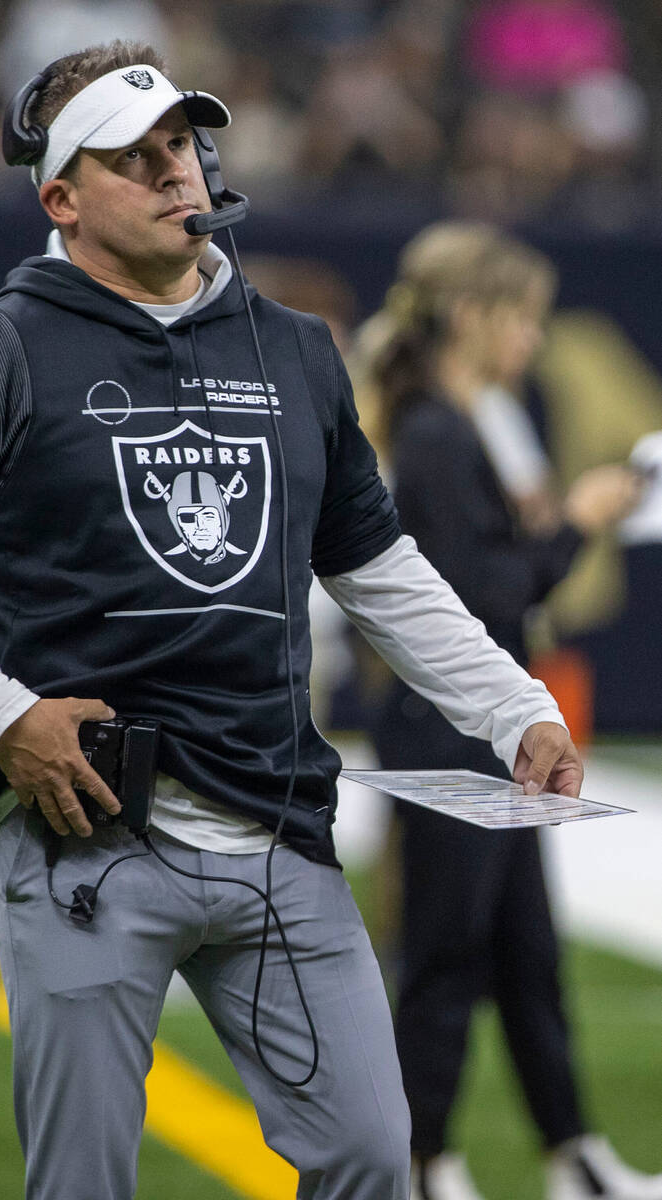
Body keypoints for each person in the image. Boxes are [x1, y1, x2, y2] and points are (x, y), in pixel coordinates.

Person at [0, 42, 585, 1200]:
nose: (173, 173)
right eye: (130, 158)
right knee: (82, 1180)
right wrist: (2, 721)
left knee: (367, 1156)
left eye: (180, 147)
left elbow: (374, 563)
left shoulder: (295, 346)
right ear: (59, 197)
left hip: (274, 820)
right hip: (81, 831)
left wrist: (511, 709)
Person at [355, 221, 660, 1200]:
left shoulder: (459, 420)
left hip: (488, 732)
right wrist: (577, 522)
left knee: (527, 952)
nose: (531, 341)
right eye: (521, 317)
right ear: (475, 314)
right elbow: (480, 594)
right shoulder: (436, 429)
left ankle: (571, 1154)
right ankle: (419, 1160)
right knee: (444, 957)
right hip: (452, 728)